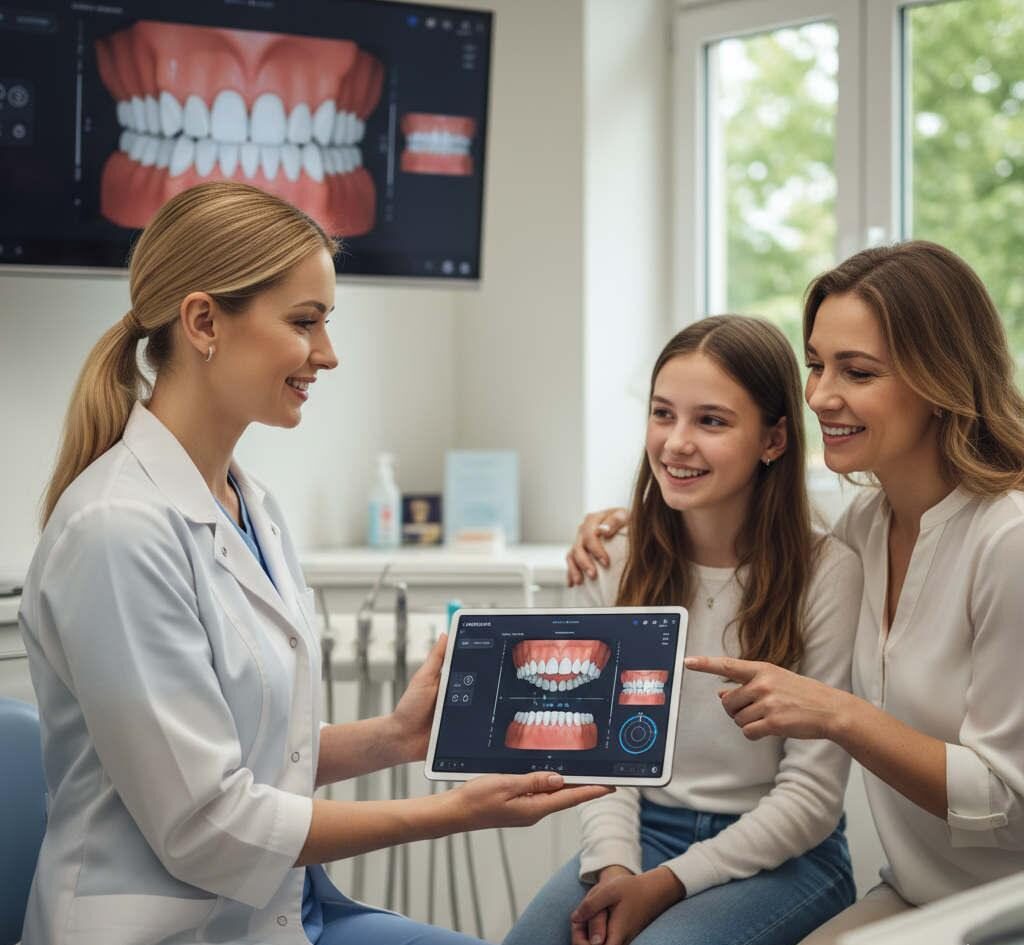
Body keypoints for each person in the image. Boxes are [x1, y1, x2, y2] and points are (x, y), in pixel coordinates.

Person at [17, 181, 609, 945]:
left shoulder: (246, 502)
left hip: (278, 912)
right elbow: (206, 823)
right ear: (203, 322)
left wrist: (393, 736)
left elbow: (257, 751)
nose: (327, 354)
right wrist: (451, 812)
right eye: (305, 322)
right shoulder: (116, 531)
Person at [567, 242, 1024, 944]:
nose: (818, 395)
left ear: (942, 379)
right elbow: (751, 515)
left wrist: (840, 715)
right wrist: (633, 522)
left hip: (1005, 902)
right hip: (917, 892)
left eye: (857, 371)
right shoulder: (864, 527)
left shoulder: (1008, 540)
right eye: (816, 364)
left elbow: (1008, 801)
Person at [504, 315, 863, 945]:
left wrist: (665, 884)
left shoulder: (828, 573)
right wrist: (617, 868)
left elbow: (810, 797)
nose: (676, 443)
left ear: (774, 438)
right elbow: (602, 764)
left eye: (711, 421)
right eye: (663, 414)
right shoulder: (611, 560)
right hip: (642, 833)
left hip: (788, 855)